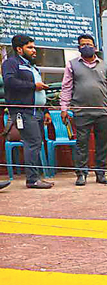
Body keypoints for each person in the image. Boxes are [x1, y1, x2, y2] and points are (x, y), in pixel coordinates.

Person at [59, 33, 107, 187]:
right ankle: (81, 174)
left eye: (89, 44)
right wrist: (64, 108)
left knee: (103, 143)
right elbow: (66, 88)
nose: (86, 47)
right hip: (81, 112)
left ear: (95, 47)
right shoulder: (71, 65)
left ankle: (100, 173)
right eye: (82, 45)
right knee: (81, 144)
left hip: (103, 112)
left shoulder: (106, 65)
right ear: (78, 47)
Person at [2, 34, 52, 189]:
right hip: (23, 111)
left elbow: (39, 90)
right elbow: (9, 82)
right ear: (19, 49)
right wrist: (33, 86)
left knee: (37, 143)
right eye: (30, 47)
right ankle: (32, 180)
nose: (34, 50)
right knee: (32, 143)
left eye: (34, 47)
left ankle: (36, 177)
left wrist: (46, 111)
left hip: (37, 111)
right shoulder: (11, 63)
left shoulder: (32, 66)